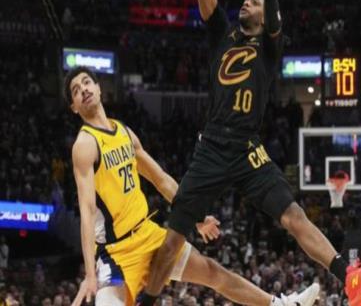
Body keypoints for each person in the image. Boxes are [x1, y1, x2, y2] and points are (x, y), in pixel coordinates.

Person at [140, 0, 361, 306]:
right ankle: (145, 301)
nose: (248, 1)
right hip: (212, 146)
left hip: (247, 148)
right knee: (172, 241)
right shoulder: (222, 34)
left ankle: (349, 276)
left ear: (267, 14)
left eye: (255, 1)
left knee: (293, 215)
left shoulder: (269, 46)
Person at [65, 67, 319, 306]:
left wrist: (195, 217)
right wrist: (89, 274)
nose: (83, 89)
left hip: (147, 234)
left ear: (99, 88)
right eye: (76, 90)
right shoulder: (85, 145)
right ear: (74, 107)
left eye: (87, 82)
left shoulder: (124, 132)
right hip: (116, 252)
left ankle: (280, 303)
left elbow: (161, 179)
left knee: (211, 271)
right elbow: (87, 211)